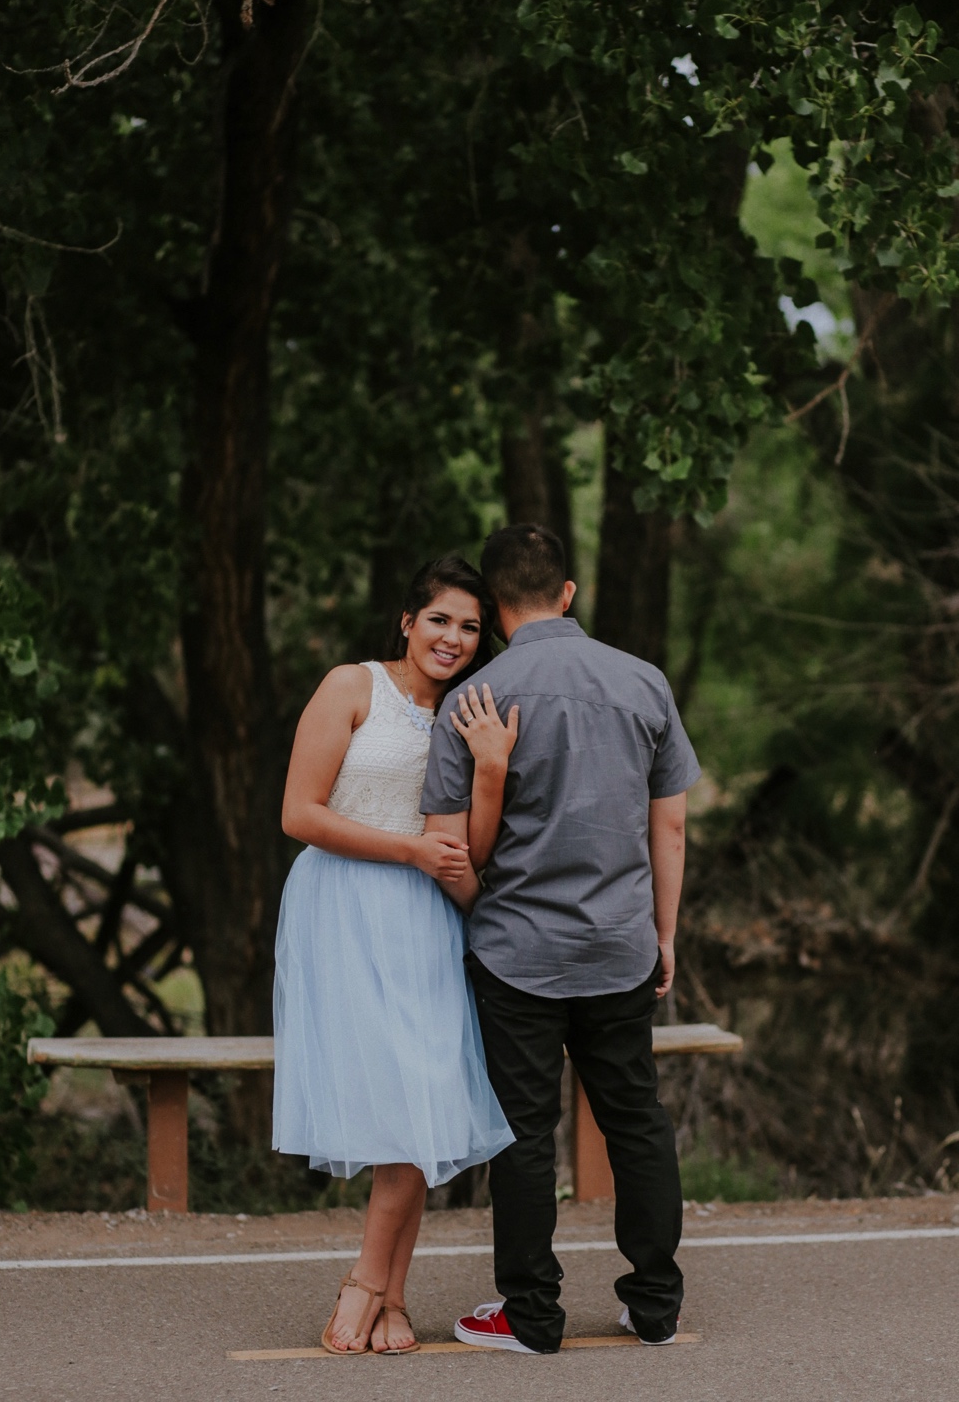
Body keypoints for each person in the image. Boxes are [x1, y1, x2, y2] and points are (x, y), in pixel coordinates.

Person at [421, 523, 701, 1354]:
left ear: (498, 610)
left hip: (517, 954)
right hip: (620, 947)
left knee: (522, 1131)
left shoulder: (473, 701)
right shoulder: (642, 682)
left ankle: (532, 1316)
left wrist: (486, 917)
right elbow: (674, 826)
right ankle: (655, 1306)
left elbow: (446, 850)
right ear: (568, 594)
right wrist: (665, 934)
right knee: (636, 1122)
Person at [273, 555, 516, 1356]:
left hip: (424, 917)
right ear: (407, 622)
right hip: (344, 907)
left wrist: (489, 773)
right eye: (440, 619)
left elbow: (466, 844)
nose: (453, 637)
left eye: (470, 627)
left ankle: (385, 1291)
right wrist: (410, 852)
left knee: (423, 1094)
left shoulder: (463, 714)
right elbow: (299, 814)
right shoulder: (352, 687)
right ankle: (373, 1288)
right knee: (392, 1105)